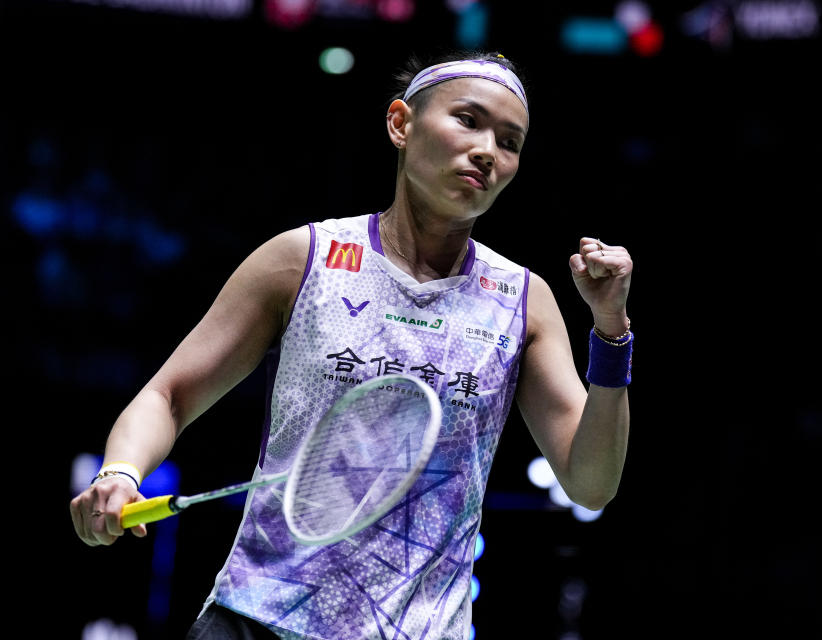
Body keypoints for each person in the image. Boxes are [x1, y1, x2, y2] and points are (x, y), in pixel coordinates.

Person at [70, 50, 633, 639]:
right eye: (468, 120)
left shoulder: (521, 298)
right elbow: (170, 394)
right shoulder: (304, 259)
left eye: (510, 141)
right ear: (401, 124)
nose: (488, 150)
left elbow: (591, 482)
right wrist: (121, 471)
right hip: (259, 620)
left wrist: (611, 331)